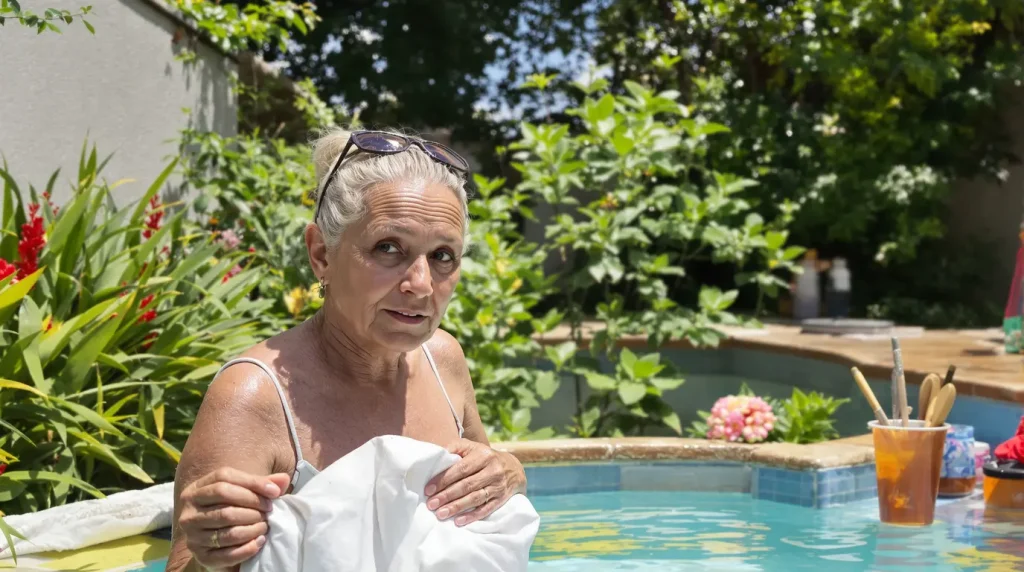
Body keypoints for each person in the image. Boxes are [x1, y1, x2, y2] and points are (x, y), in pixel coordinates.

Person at [166, 129, 528, 571]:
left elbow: (483, 504)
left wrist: (508, 472)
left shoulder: (443, 359)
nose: (421, 284)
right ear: (321, 254)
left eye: (442, 256)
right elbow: (188, 563)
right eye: (388, 248)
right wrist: (210, 554)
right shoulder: (254, 397)